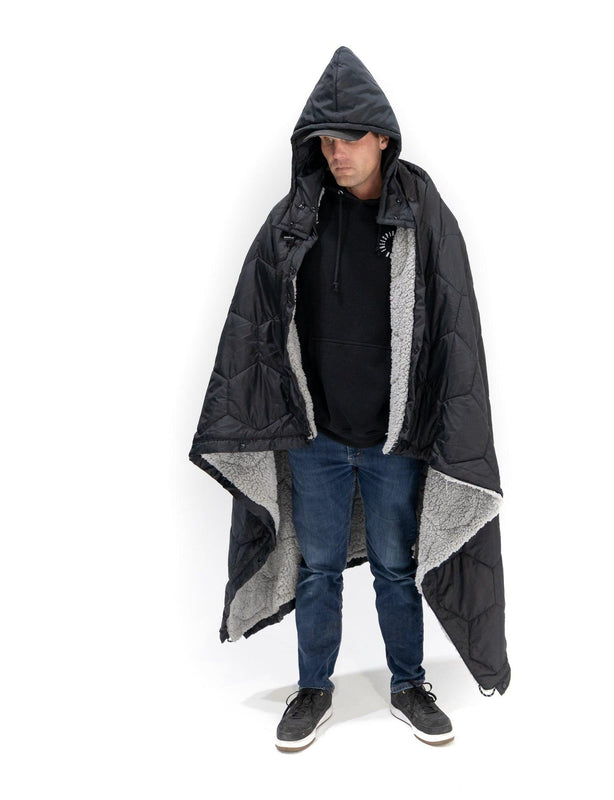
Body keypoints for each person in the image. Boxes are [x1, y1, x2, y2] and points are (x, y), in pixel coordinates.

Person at [188, 46, 510, 753]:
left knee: (398, 568)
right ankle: (314, 689)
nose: (336, 153)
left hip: (395, 440)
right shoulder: (297, 216)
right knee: (318, 569)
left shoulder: (421, 213)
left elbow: (454, 325)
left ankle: (408, 685)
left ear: (382, 138)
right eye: (326, 140)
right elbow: (256, 321)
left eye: (350, 138)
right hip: (319, 439)